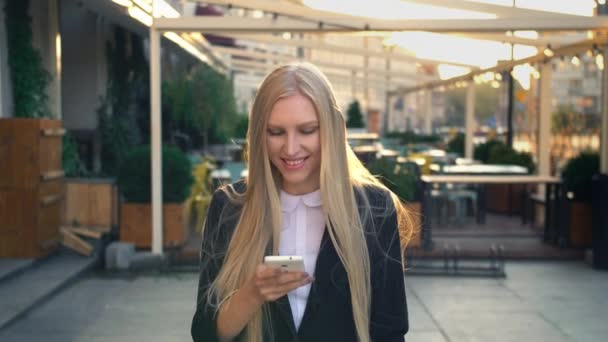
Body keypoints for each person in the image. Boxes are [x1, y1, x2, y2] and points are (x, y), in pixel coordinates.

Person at [191, 62, 413, 342]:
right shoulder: (229, 207)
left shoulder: (375, 208)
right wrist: (251, 294)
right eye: (276, 132)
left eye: (307, 130)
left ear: (335, 130)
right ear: (259, 133)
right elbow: (204, 334)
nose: (291, 148)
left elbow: (390, 333)